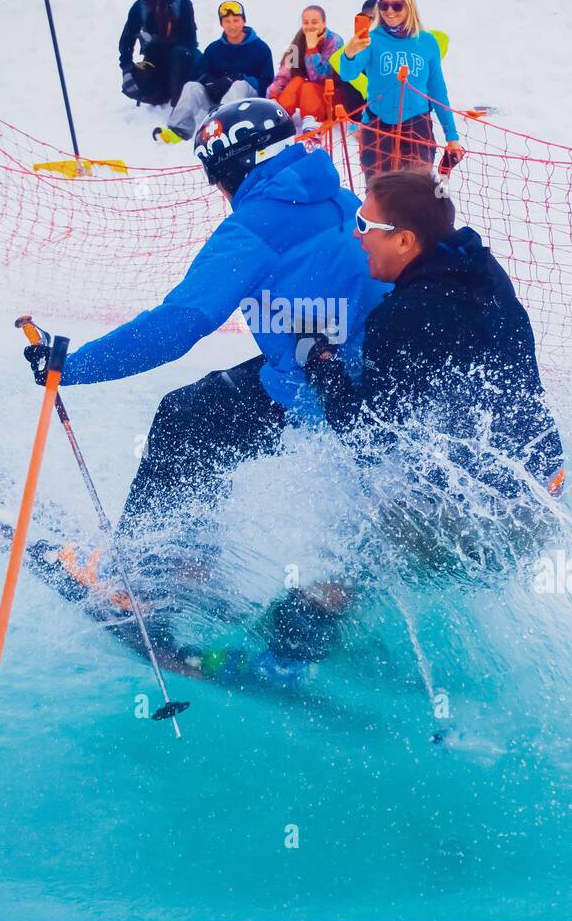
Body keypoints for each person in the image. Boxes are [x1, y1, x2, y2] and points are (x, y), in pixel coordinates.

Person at [24, 97, 387, 589]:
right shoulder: (340, 198)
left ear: (235, 168)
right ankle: (187, 556)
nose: (218, 188)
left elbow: (178, 326)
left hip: (318, 388)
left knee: (183, 423)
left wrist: (72, 366)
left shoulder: (253, 227)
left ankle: (146, 572)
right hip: (361, 373)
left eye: (215, 175)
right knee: (206, 413)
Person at [299, 170, 564, 502]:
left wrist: (320, 363)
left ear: (405, 241)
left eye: (365, 225)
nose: (356, 234)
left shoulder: (403, 316)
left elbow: (367, 437)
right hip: (547, 471)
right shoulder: (483, 269)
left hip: (484, 505)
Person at [336, 0, 460, 180]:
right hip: (377, 125)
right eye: (384, 5)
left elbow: (438, 91)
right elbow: (348, 74)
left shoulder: (427, 42)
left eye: (397, 5)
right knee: (379, 193)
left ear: (409, 6)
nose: (389, 11)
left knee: (416, 193)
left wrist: (452, 137)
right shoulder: (371, 39)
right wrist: (349, 53)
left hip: (417, 128)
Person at [154, 0, 275, 144]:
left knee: (239, 85)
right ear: (221, 24)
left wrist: (246, 80)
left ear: (243, 21)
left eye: (236, 20)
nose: (232, 26)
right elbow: (201, 73)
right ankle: (178, 130)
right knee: (191, 87)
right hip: (217, 99)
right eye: (227, 21)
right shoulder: (214, 48)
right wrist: (211, 82)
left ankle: (223, 128)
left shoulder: (260, 48)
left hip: (247, 100)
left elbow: (267, 81)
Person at [118, 0, 201, 108]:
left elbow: (190, 40)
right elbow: (127, 38)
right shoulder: (140, 7)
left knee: (180, 55)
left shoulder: (182, 2)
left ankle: (178, 104)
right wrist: (127, 67)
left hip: (181, 57)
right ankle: (161, 94)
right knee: (137, 80)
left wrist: (162, 42)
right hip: (155, 58)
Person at [267, 6, 343, 123]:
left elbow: (319, 77)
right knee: (297, 81)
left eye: (315, 22)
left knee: (308, 87)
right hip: (308, 97)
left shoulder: (335, 41)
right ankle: (279, 116)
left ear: (324, 23)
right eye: (306, 23)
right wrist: (273, 96)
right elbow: (284, 73)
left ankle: (310, 121)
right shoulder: (299, 40)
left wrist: (312, 49)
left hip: (330, 99)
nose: (310, 26)